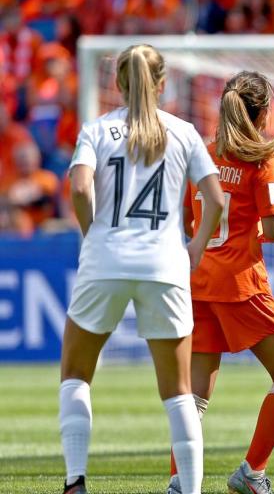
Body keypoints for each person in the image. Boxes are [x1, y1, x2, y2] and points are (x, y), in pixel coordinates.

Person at [60, 44, 224, 494]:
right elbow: (216, 199)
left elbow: (78, 187)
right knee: (178, 391)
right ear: (162, 83)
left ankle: (75, 481)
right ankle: (190, 490)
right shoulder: (184, 132)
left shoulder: (96, 129)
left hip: (104, 260)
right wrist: (196, 245)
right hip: (164, 262)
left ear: (119, 83)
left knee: (76, 373)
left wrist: (92, 231)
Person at [168, 71, 274, 494]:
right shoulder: (263, 159)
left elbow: (189, 221)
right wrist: (254, 232)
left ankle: (180, 483)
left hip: (196, 281)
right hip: (240, 284)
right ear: (263, 111)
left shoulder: (201, 153)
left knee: (193, 393)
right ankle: (252, 473)